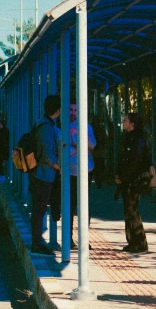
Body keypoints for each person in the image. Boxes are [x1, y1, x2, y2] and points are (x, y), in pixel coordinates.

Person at [30, 95, 62, 257]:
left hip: (39, 173)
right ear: (57, 111)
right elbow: (48, 155)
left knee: (39, 209)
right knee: (40, 209)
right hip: (43, 174)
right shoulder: (47, 128)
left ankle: (37, 241)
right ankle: (37, 243)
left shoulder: (40, 123)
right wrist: (59, 168)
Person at [115, 112, 150, 253]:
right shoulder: (128, 138)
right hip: (128, 179)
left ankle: (140, 243)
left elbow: (136, 163)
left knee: (132, 209)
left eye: (125, 120)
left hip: (135, 180)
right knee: (128, 210)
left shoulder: (138, 140)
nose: (123, 122)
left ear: (132, 124)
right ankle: (132, 241)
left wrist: (124, 177)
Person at [68, 103, 97, 250]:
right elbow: (65, 149)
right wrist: (78, 144)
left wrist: (77, 142)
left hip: (86, 169)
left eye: (75, 110)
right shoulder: (62, 127)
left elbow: (92, 144)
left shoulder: (86, 126)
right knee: (70, 205)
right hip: (70, 172)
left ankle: (84, 239)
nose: (73, 113)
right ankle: (69, 239)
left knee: (85, 205)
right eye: (70, 110)